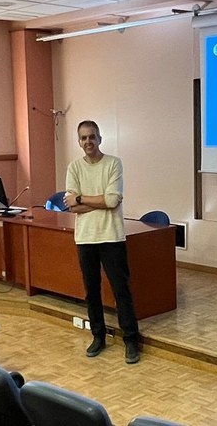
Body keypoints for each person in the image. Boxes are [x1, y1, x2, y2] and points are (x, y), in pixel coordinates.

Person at [63, 120, 141, 364]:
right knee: (91, 292)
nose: (88, 142)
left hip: (111, 236)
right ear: (79, 141)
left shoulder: (113, 163)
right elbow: (71, 205)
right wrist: (96, 201)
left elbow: (112, 200)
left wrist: (81, 199)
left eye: (92, 137)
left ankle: (131, 340)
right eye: (83, 138)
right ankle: (98, 336)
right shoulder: (74, 167)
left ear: (100, 138)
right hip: (85, 239)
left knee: (121, 291)